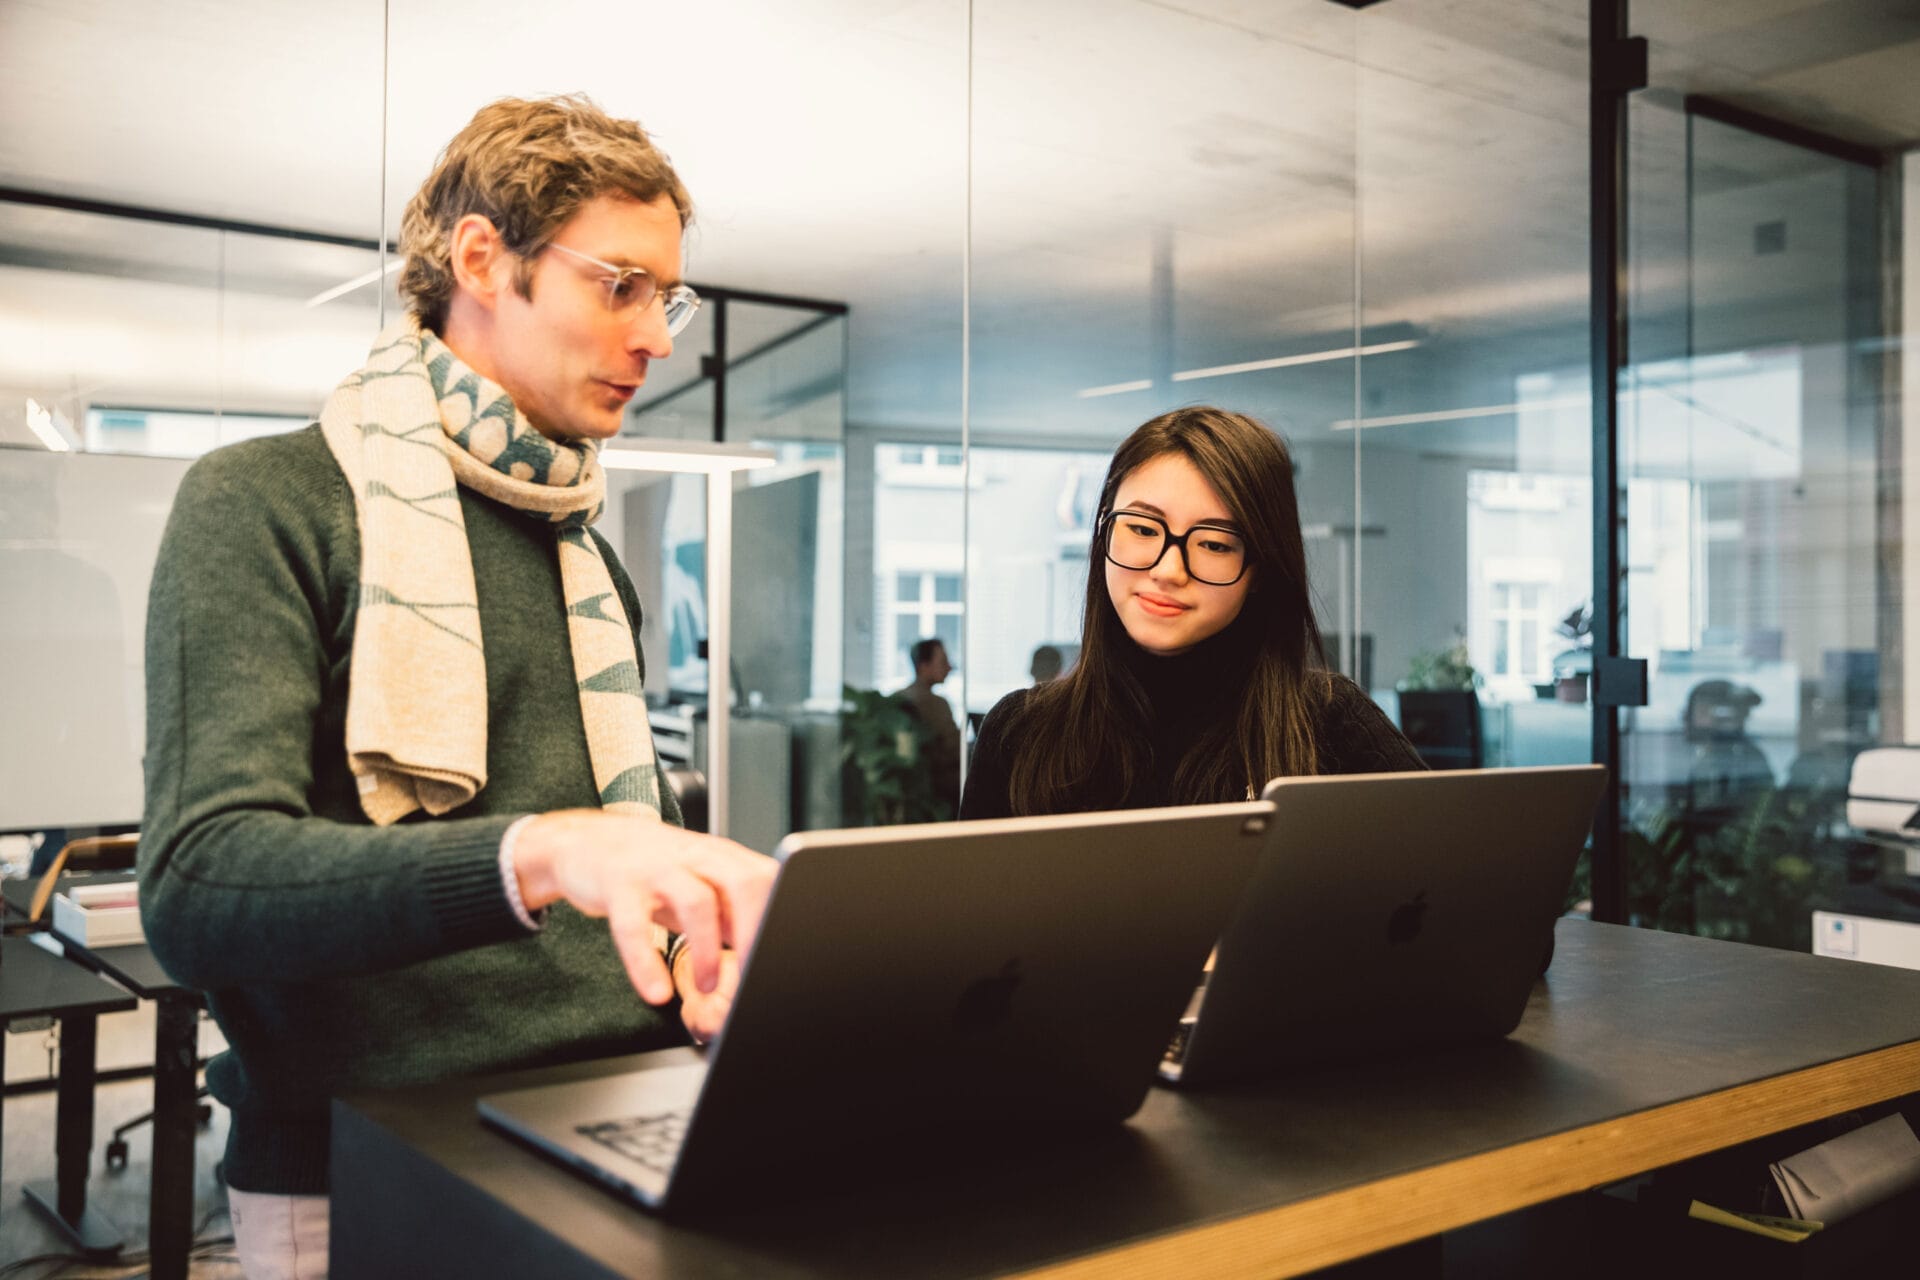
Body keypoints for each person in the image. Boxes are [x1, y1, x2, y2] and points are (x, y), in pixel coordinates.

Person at [137, 95, 775, 1277]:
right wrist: (536, 850)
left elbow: (617, 882)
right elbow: (196, 883)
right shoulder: (264, 503)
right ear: (485, 258)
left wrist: (701, 955)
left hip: (622, 1115)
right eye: (621, 285)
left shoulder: (583, 551)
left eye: (667, 297)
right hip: (367, 1158)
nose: (660, 337)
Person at [962, 407, 1423, 820]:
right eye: (1142, 528)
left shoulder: (1328, 723)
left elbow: (1458, 887)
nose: (1168, 570)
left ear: (1261, 567)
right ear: (1103, 532)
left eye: (1214, 544)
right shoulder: (1022, 734)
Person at [897, 637, 962, 816]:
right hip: (938, 790)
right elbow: (956, 749)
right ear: (923, 666)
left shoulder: (898, 697)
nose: (950, 667)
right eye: (943, 661)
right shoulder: (935, 703)